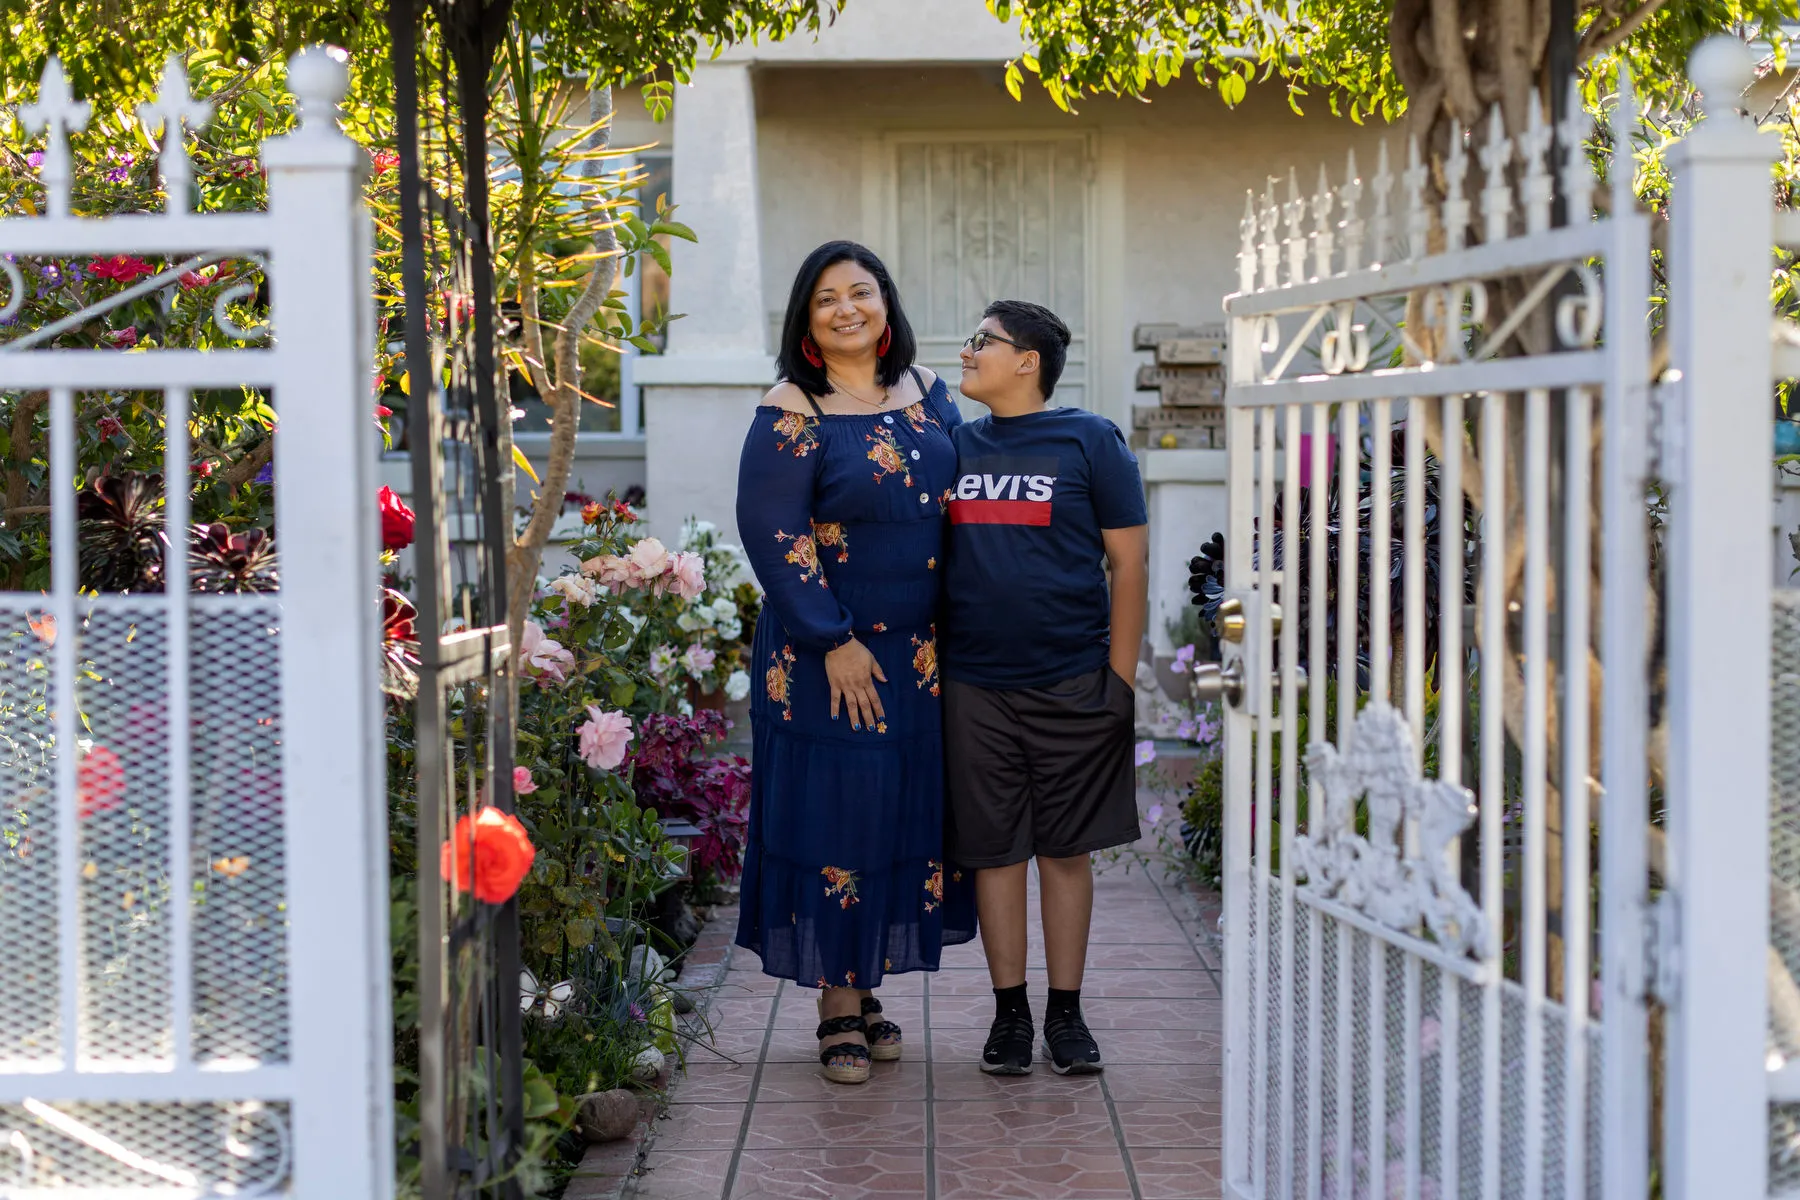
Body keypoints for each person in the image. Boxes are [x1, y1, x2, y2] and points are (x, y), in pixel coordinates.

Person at [734, 241, 977, 1085]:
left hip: (919, 657)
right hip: (826, 654)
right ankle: (837, 1007)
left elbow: (971, 493)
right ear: (806, 321)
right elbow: (774, 533)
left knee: (893, 814)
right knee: (837, 815)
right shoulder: (792, 406)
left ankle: (864, 985)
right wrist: (832, 639)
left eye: (861, 292)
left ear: (886, 303)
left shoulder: (930, 394)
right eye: (827, 298)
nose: (847, 308)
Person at [940, 299, 1150, 1076]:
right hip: (974, 688)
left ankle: (1066, 1013)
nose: (968, 353)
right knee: (995, 855)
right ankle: (1010, 1016)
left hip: (1073, 682)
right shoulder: (954, 446)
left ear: (1028, 360)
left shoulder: (1090, 441)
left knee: (1065, 854)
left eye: (981, 342)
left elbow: (1128, 565)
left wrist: (1118, 684)